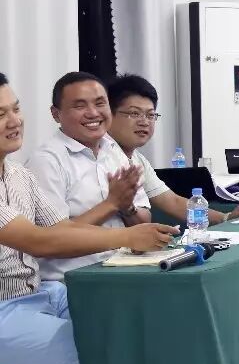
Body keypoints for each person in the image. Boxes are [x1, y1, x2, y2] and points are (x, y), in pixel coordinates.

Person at [0, 72, 176, 364]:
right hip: (6, 309)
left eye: (15, 109)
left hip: (39, 295)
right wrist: (126, 234)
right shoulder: (44, 161)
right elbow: (40, 243)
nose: (13, 121)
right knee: (92, 350)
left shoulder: (18, 176)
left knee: (122, 322)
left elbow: (62, 228)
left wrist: (131, 226)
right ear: (58, 113)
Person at [27, 72, 152, 281]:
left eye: (100, 103)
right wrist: (112, 204)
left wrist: (127, 207)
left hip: (124, 270)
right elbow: (51, 241)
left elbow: (144, 220)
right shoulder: (47, 161)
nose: (93, 113)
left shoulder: (113, 150)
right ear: (56, 114)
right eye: (80, 106)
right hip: (72, 282)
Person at [105, 74, 239, 224]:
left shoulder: (137, 159)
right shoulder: (101, 154)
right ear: (108, 114)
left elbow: (172, 202)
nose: (144, 122)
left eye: (150, 115)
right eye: (134, 113)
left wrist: (225, 217)